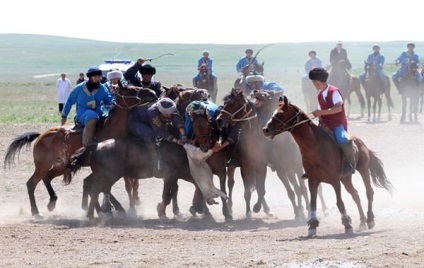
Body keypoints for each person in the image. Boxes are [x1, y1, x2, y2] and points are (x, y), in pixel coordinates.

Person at [308, 67, 356, 177]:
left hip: (337, 124)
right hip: (325, 124)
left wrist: (320, 112)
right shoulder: (320, 94)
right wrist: (319, 119)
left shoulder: (333, 91)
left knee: (342, 139)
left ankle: (350, 164)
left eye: (313, 81)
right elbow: (321, 112)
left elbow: (338, 108)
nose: (313, 83)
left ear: (317, 81)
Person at [128, 97, 187, 171]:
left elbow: (177, 120)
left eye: (170, 113)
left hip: (148, 120)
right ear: (160, 111)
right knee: (150, 134)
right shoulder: (152, 112)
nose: (169, 116)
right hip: (135, 121)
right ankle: (154, 159)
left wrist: (184, 135)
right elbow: (161, 131)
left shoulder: (171, 108)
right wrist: (177, 141)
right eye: (166, 114)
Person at [61, 66, 115, 146]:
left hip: (98, 113)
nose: (97, 79)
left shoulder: (102, 88)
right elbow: (69, 101)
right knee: (92, 116)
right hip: (82, 114)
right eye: (95, 77)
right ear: (90, 77)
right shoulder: (79, 88)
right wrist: (64, 115)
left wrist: (114, 104)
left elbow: (109, 99)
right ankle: (87, 146)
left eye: (99, 77)